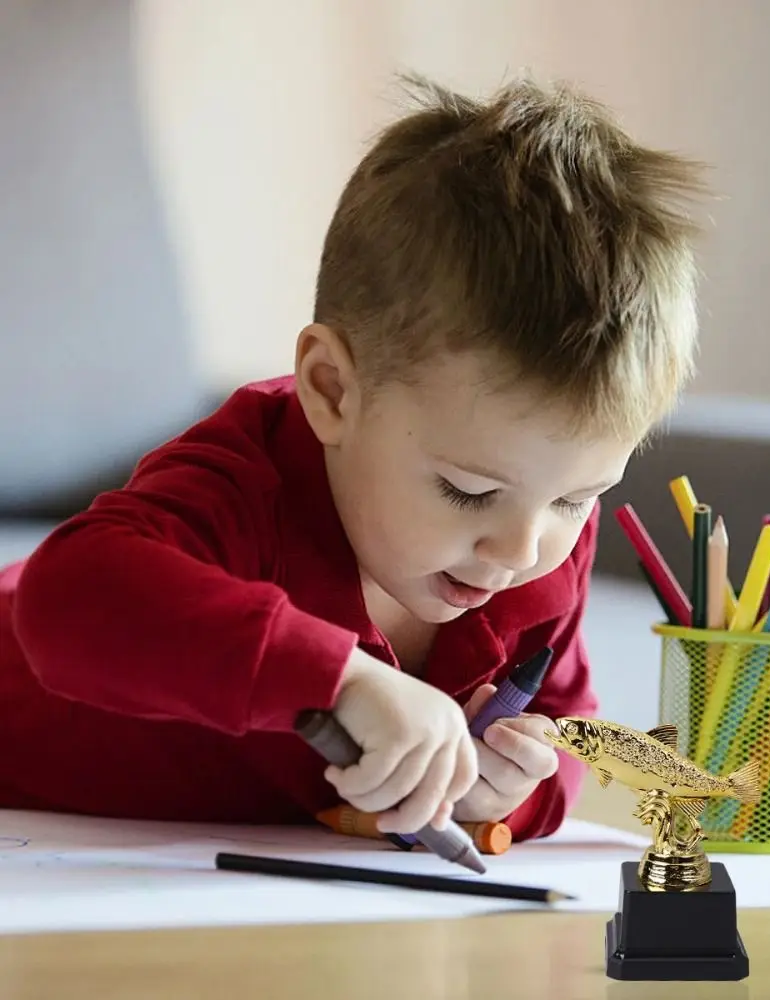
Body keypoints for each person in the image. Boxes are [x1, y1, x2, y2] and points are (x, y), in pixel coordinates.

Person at [0, 74, 704, 842]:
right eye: (467, 491)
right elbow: (65, 597)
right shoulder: (248, 477)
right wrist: (339, 679)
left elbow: (564, 726)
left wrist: (507, 792)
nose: (522, 547)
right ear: (332, 391)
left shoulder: (533, 531)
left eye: (577, 499)